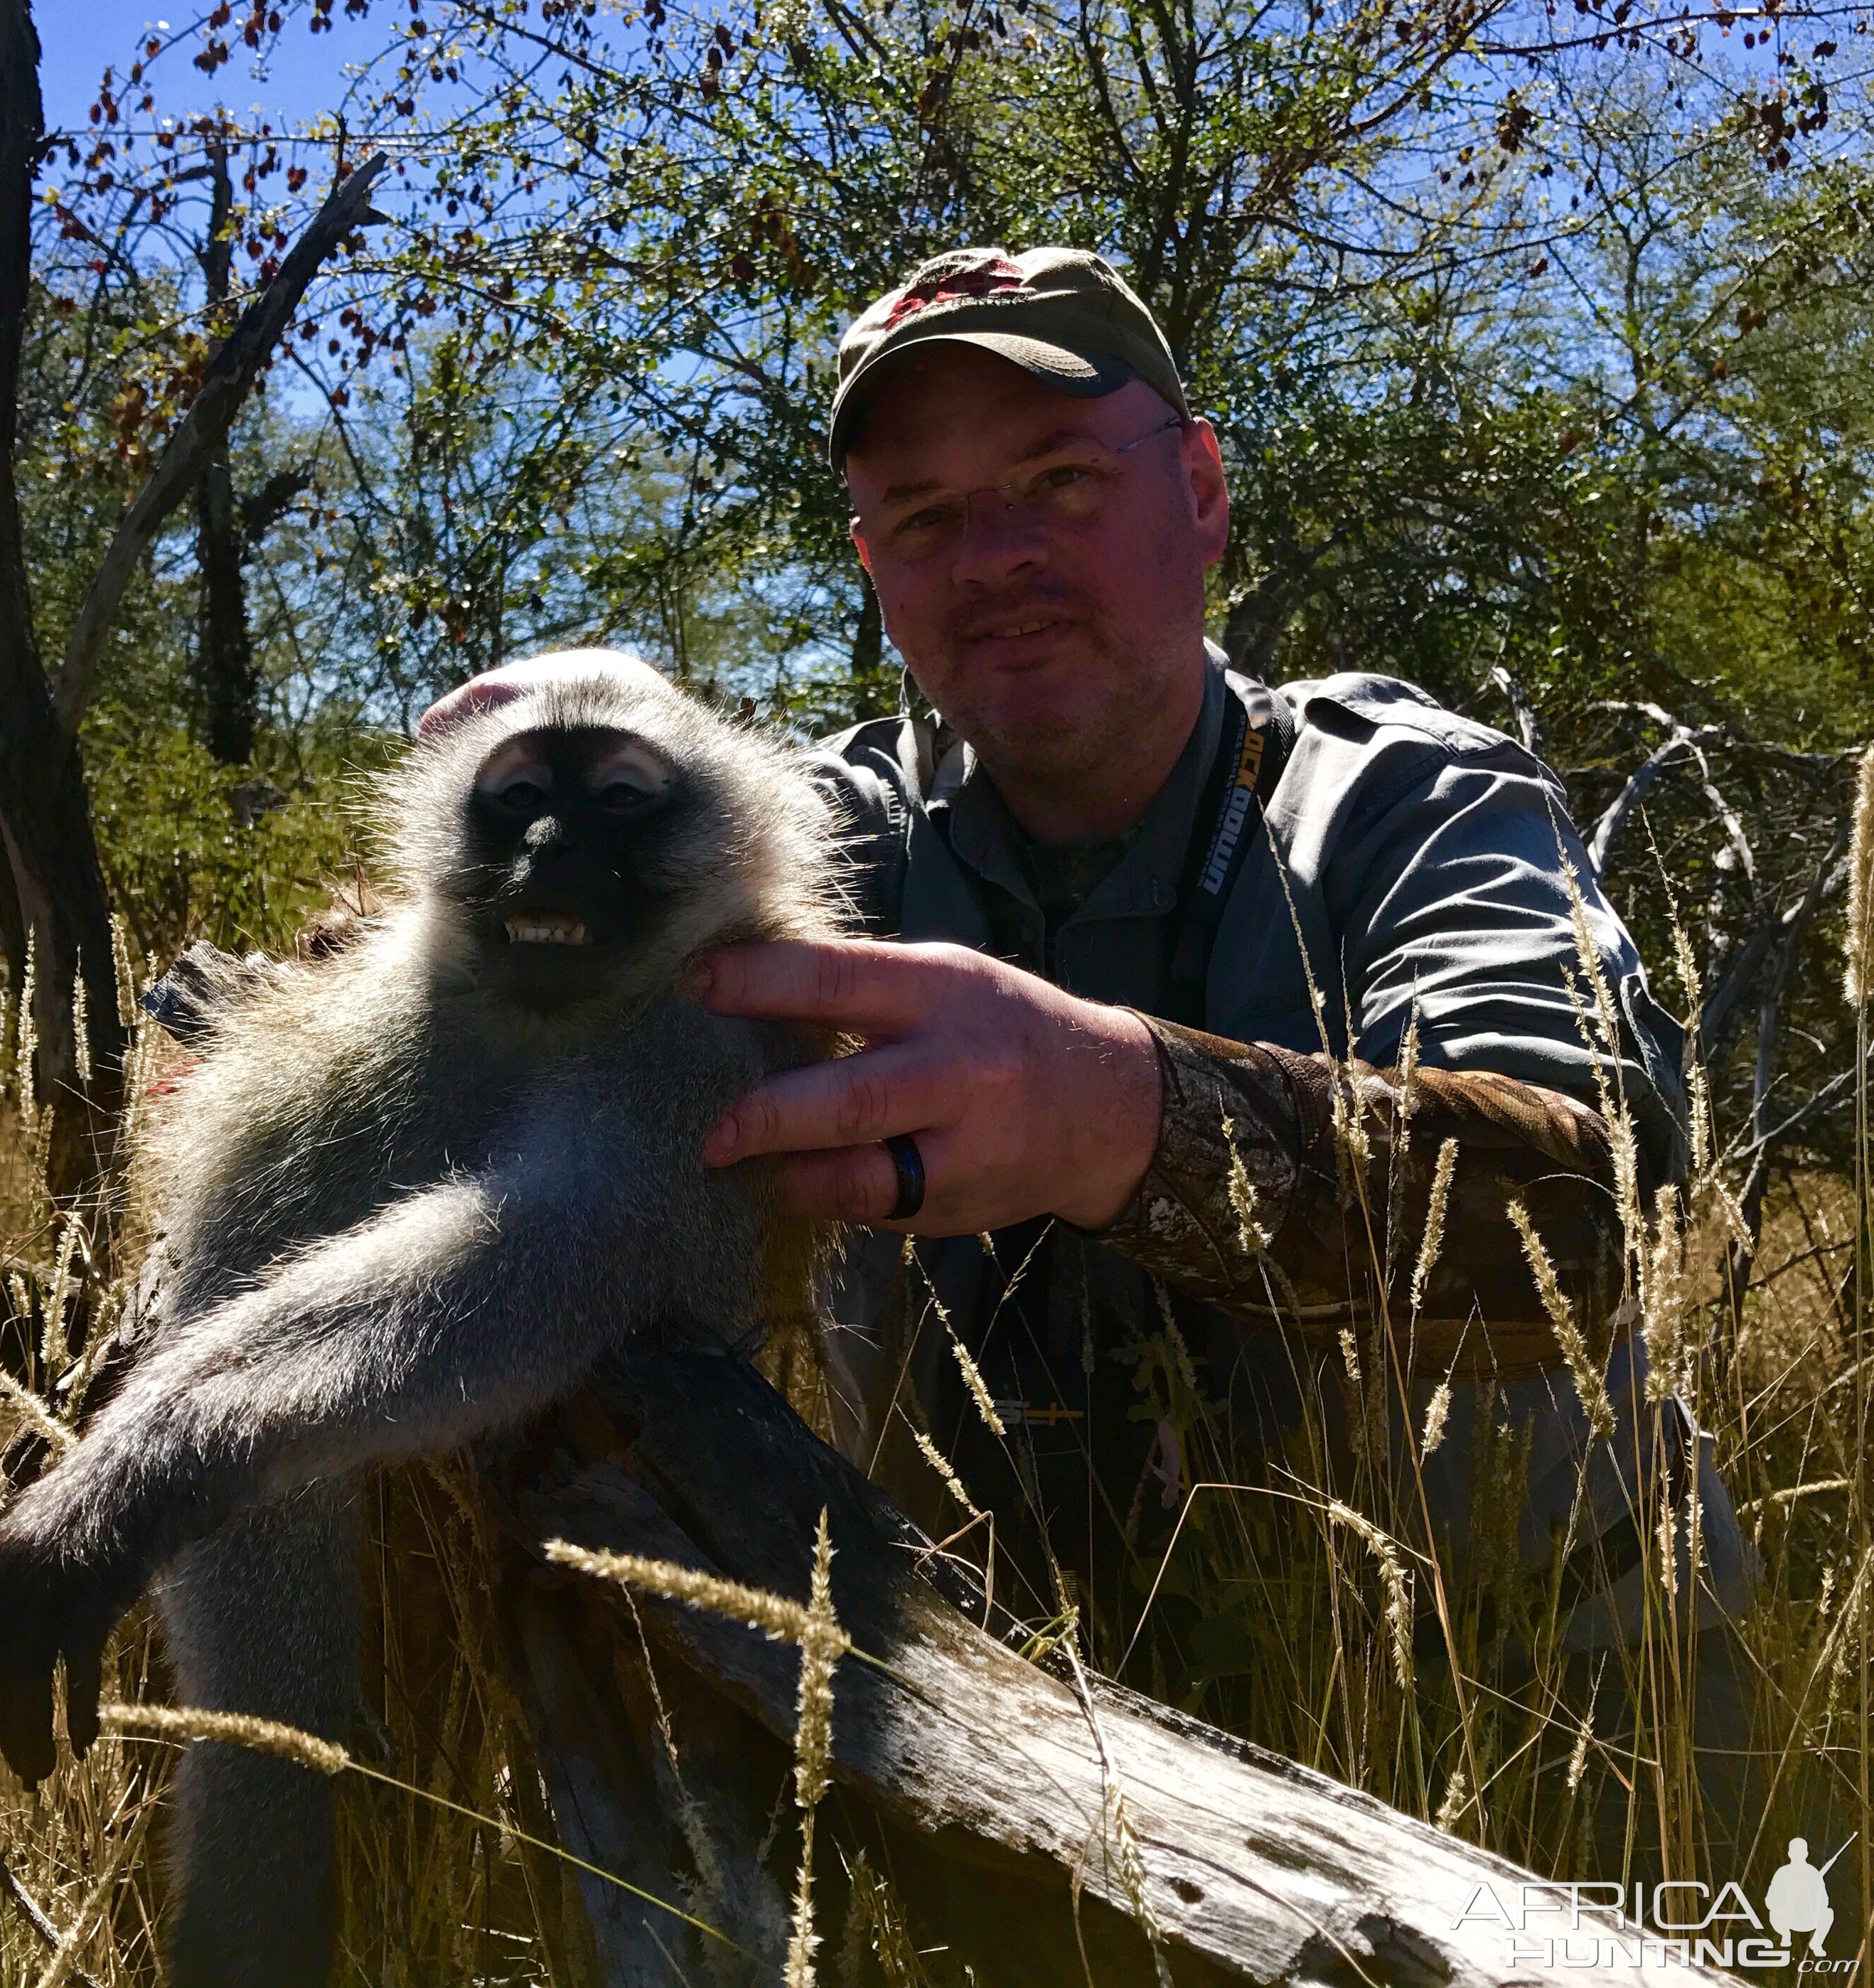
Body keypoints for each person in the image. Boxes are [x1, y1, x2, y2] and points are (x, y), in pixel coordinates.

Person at [422, 246, 1750, 1737]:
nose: (989, 555)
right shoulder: (819, 838)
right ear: (875, 572)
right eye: (922, 515)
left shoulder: (1403, 802)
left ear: (1198, 494)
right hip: (1030, 1754)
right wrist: (577, 764)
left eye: (1057, 480)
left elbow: (1592, 1219)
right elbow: (500, 1000)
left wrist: (1117, 1118)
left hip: (1549, 1726)